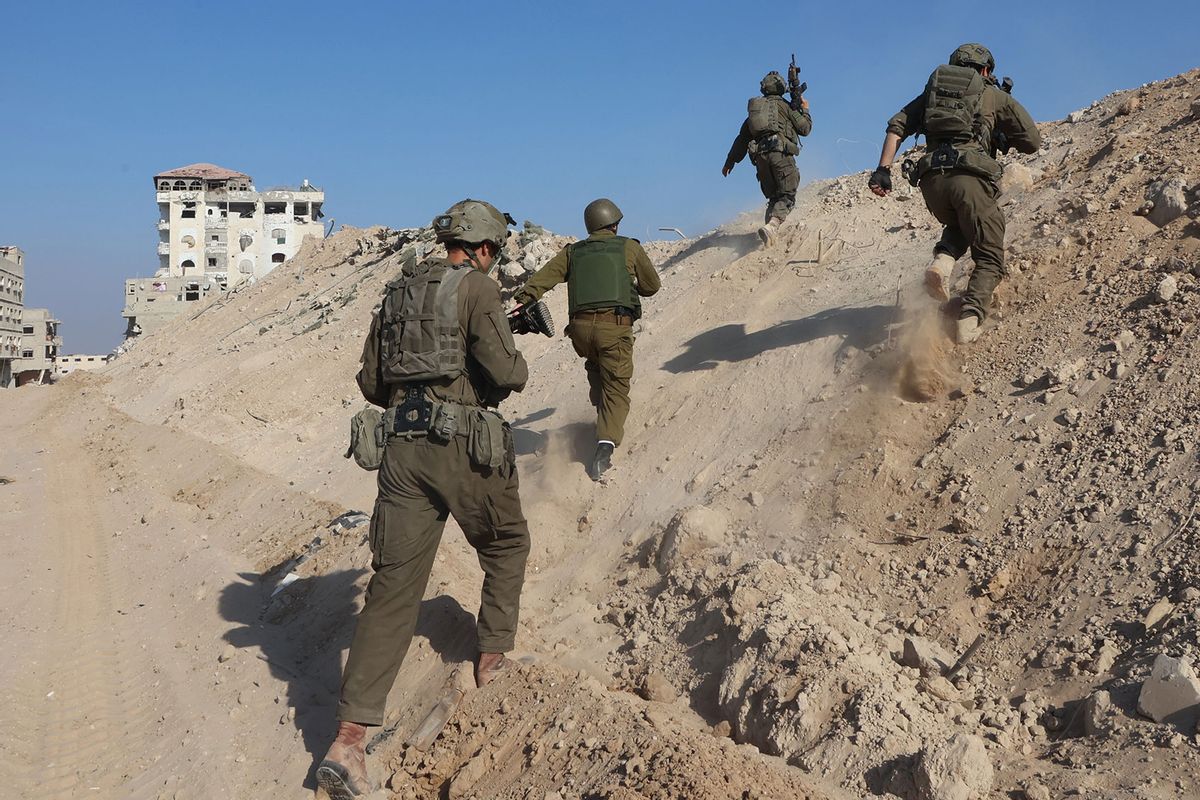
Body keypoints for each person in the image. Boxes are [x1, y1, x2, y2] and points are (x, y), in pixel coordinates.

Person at [317, 199, 531, 799]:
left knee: (391, 589)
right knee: (508, 543)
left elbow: (371, 382)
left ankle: (349, 742)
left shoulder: (397, 292)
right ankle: (491, 660)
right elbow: (509, 375)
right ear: (485, 248)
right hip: (460, 445)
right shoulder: (480, 291)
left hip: (401, 450)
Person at [868, 43, 1041, 344]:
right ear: (986, 70)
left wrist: (883, 170)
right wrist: (1000, 134)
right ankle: (969, 320)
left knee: (962, 222)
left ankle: (943, 263)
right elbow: (1032, 141)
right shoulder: (993, 94)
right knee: (989, 255)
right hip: (969, 180)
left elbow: (896, 126)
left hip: (932, 185)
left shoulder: (933, 96)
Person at [512, 198, 660, 481]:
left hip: (580, 333)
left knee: (596, 369)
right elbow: (652, 287)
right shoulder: (629, 247)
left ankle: (602, 418)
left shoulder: (573, 252)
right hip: (613, 328)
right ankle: (605, 448)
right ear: (615, 224)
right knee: (616, 385)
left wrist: (524, 299)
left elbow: (544, 278)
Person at [722, 71, 813, 248]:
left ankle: (767, 237)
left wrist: (730, 162)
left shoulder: (755, 112)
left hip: (760, 158)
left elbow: (742, 139)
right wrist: (805, 109)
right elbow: (805, 129)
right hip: (780, 154)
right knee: (787, 195)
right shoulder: (785, 106)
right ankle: (772, 226)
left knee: (773, 197)